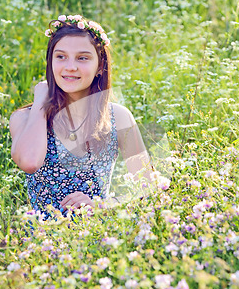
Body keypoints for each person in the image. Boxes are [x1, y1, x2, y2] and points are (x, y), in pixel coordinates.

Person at [9, 15, 152, 220]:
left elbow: (149, 185)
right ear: (50, 62)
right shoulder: (24, 117)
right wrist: (41, 101)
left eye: (82, 58)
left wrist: (101, 205)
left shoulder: (117, 117)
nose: (70, 67)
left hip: (99, 239)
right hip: (43, 243)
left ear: (100, 65)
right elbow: (30, 162)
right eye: (61, 57)